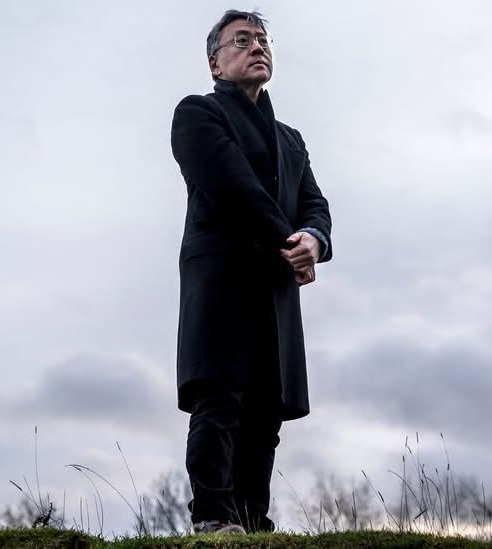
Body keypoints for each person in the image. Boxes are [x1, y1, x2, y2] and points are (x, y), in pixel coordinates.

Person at [170, 9, 332, 535]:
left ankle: (251, 521)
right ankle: (213, 517)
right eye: (241, 40)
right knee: (220, 395)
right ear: (215, 63)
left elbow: (314, 203)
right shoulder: (197, 114)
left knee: (266, 407)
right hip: (222, 279)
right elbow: (232, 184)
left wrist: (314, 239)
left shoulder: (292, 139)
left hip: (275, 287)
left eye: (262, 39)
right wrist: (291, 242)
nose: (257, 46)